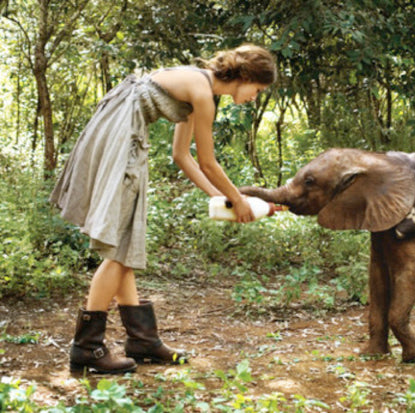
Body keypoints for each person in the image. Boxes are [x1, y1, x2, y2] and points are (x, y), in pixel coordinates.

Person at [50, 44, 277, 374]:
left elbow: (182, 156)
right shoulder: (202, 93)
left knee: (124, 244)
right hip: (122, 137)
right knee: (117, 249)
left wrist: (222, 198)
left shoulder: (197, 86)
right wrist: (237, 200)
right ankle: (87, 348)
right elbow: (208, 162)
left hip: (119, 130)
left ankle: (143, 340)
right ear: (244, 77)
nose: (255, 97)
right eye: (257, 90)